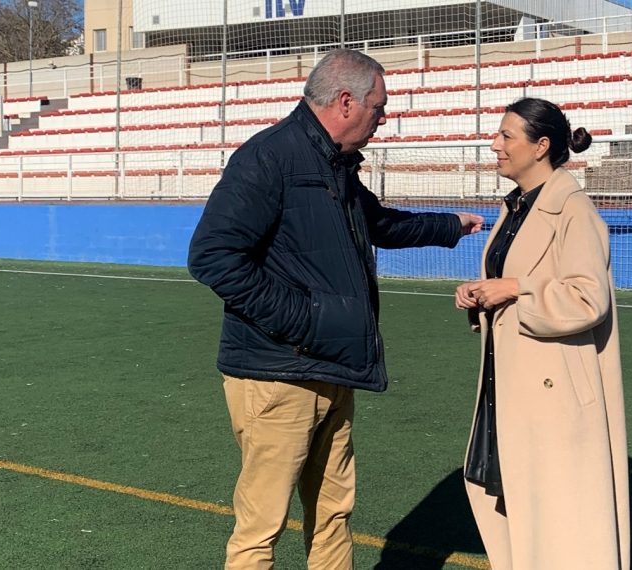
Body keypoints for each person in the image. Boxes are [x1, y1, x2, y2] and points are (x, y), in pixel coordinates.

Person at [187, 48, 484, 569]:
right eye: (379, 107)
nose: (383, 118)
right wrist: (304, 322)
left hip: (333, 366)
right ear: (346, 102)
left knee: (333, 514)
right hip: (278, 375)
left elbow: (382, 224)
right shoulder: (269, 157)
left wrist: (450, 225)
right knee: (262, 526)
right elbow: (213, 257)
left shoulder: (334, 164)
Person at [454, 97, 629, 569]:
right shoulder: (518, 208)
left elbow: (589, 298)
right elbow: (514, 282)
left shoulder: (571, 209)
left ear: (541, 146)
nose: (495, 145)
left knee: (562, 524)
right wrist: (481, 294)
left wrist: (515, 289)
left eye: (507, 136)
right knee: (518, 511)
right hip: (510, 387)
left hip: (554, 396)